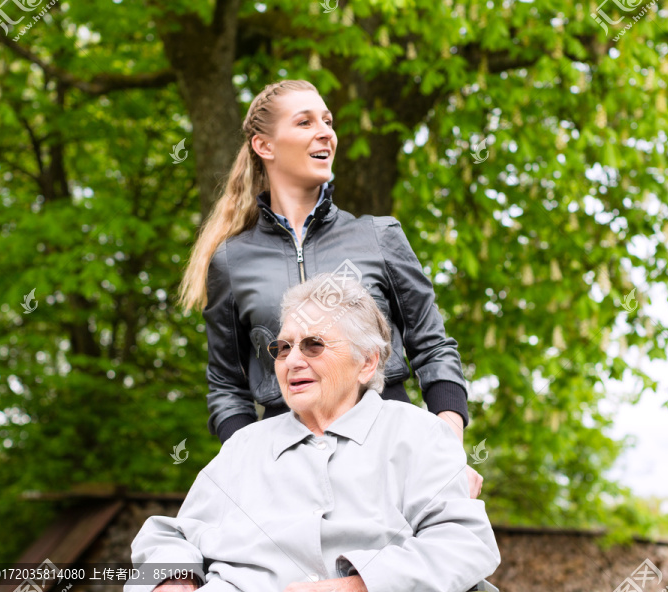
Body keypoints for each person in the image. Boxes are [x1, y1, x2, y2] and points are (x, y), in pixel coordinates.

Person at [177, 80, 484, 496]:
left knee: (394, 564)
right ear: (264, 146)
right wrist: (248, 465)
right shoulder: (232, 260)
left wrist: (447, 446)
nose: (326, 131)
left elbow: (433, 347)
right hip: (286, 469)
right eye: (305, 122)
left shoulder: (379, 236)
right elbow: (227, 386)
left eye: (328, 120)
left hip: (390, 456)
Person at [127, 275, 500, 592]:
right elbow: (169, 534)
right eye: (283, 347)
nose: (292, 361)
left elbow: (465, 545)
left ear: (367, 361)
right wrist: (170, 577)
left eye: (313, 345)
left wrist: (359, 588)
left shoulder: (416, 435)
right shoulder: (245, 445)